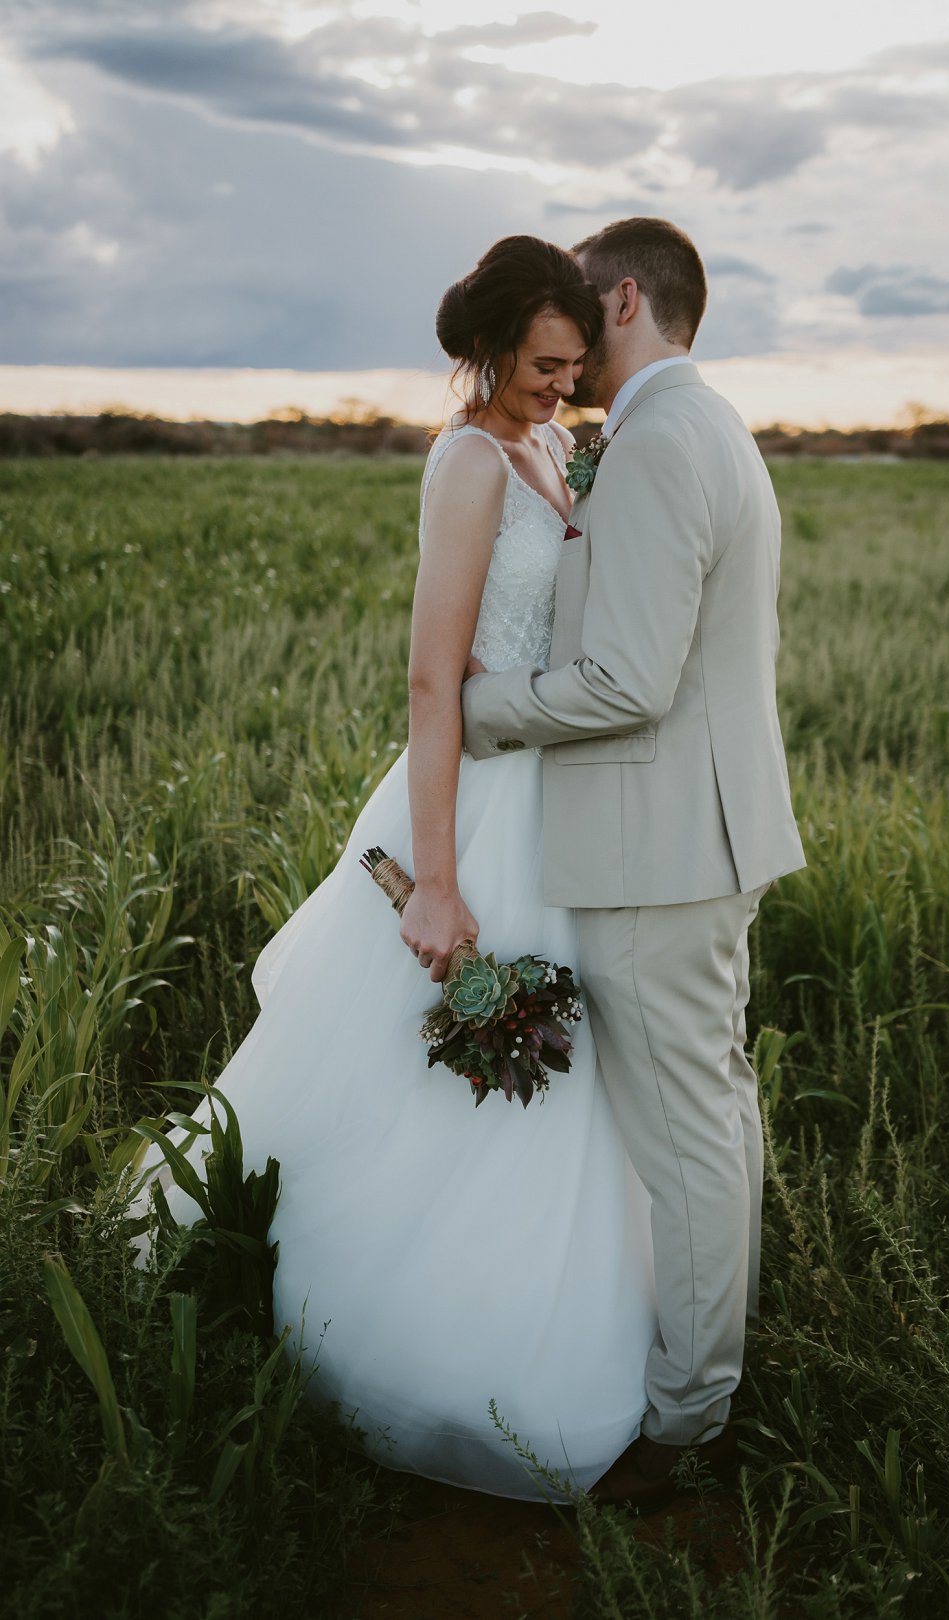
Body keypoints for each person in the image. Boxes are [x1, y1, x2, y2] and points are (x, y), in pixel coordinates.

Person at [137, 235, 657, 1501]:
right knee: (442, 1057)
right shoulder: (469, 461)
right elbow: (433, 680)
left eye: (577, 364)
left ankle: (548, 1302)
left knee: (569, 1074)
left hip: (561, 796)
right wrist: (435, 877)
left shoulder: (551, 448)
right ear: (487, 348)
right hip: (478, 805)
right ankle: (404, 1341)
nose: (560, 384)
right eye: (542, 364)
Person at [461, 217, 806, 1511]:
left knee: (692, 1140)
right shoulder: (695, 426)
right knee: (708, 1120)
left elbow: (627, 679)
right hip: (685, 835)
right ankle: (698, 1388)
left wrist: (475, 711)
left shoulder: (661, 440)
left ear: (618, 299)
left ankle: (690, 1429)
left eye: (573, 315)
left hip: (664, 851)